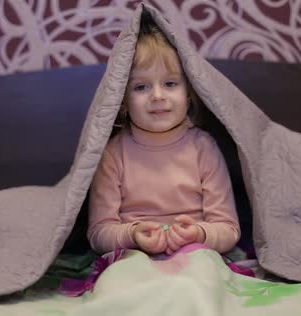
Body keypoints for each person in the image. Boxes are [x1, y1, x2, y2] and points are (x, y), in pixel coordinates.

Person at [87, 16, 240, 256]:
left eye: (170, 83)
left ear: (189, 93)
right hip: (134, 261)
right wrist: (132, 235)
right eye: (141, 87)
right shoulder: (113, 153)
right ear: (123, 101)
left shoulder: (203, 148)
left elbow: (229, 229)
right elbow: (98, 234)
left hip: (195, 257)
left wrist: (199, 233)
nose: (157, 96)